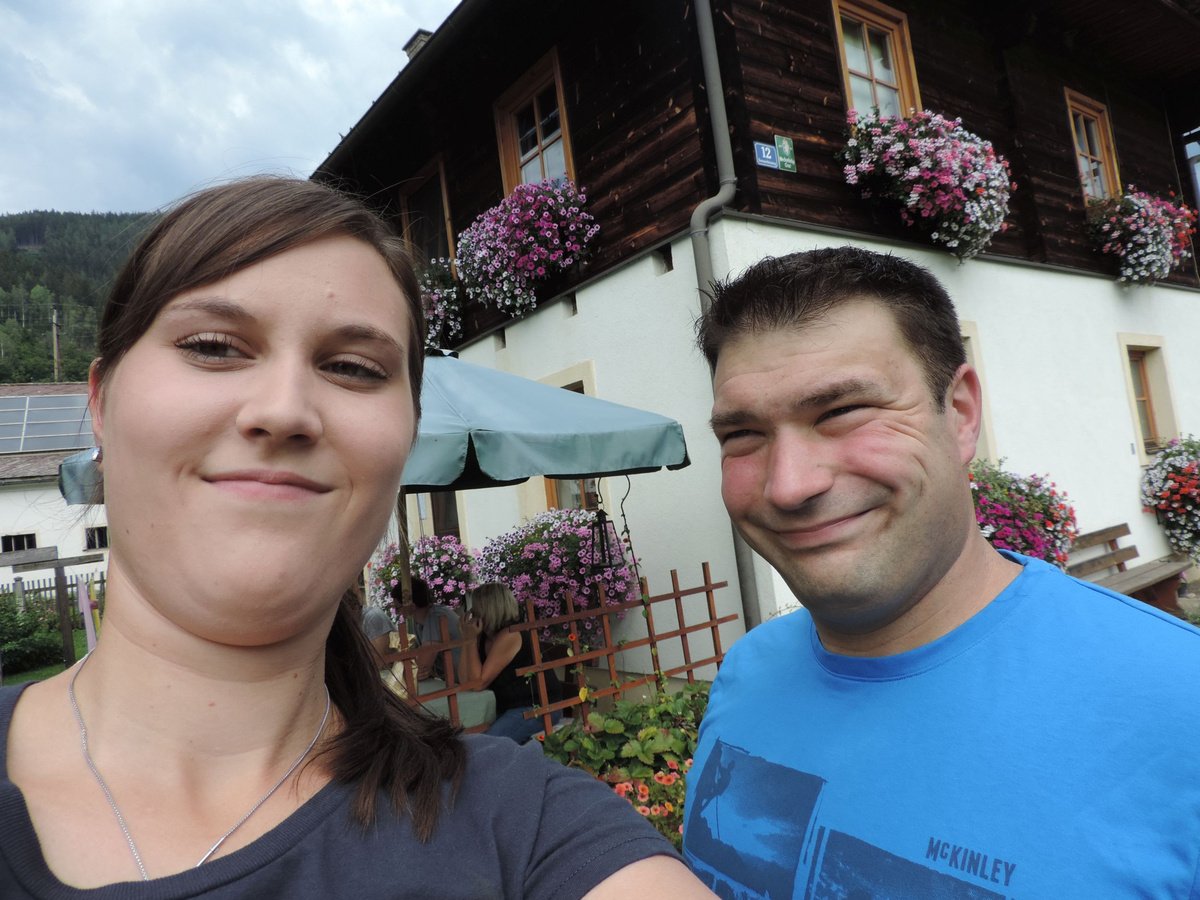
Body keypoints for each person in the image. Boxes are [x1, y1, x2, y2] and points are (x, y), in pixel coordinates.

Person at [0, 176, 713, 898]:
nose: (284, 410)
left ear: (406, 437)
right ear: (100, 401)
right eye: (213, 346)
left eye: (353, 368)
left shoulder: (525, 828)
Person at [682, 246, 1200, 897]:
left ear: (959, 414)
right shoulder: (747, 672)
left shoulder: (1181, 706)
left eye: (841, 412)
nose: (788, 485)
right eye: (742, 436)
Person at [460, 582, 563, 744]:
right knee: (463, 737)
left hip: (537, 708)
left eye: (476, 607)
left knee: (486, 746)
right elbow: (465, 681)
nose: (472, 613)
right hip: (509, 709)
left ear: (489, 609)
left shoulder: (511, 634)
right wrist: (466, 641)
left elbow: (478, 684)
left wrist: (470, 640)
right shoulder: (484, 638)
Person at [400, 576, 462, 680]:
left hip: (462, 681)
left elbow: (419, 668)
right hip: (450, 680)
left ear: (412, 606)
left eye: (398, 608)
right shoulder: (419, 621)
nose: (397, 612)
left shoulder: (436, 617)